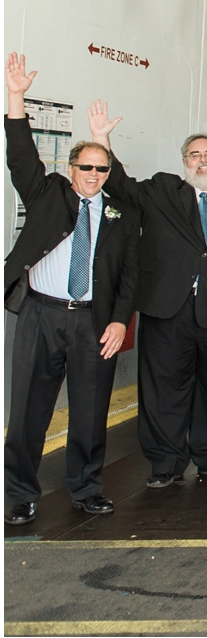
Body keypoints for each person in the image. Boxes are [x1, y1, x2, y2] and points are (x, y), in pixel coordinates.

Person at [89, 99, 207, 488]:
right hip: (167, 308)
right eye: (194, 155)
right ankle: (165, 462)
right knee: (162, 389)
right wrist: (102, 137)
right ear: (184, 160)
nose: (203, 161)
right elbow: (117, 185)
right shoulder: (161, 190)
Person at [4, 55, 139, 525]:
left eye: (102, 169)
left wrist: (121, 320)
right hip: (41, 316)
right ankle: (18, 493)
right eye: (86, 167)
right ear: (70, 165)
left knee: (89, 410)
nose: (93, 176)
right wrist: (16, 98)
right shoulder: (48, 194)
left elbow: (130, 275)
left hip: (93, 322)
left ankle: (86, 488)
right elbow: (21, 158)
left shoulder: (122, 214)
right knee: (26, 412)